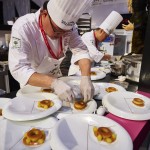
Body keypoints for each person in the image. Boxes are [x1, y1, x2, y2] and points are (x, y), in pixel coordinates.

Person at [8, 0, 94, 102]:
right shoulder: (24, 27)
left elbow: (81, 51)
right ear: (44, 14)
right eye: (57, 31)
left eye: (65, 32)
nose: (62, 35)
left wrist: (86, 77)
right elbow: (19, 68)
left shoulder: (70, 29)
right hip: (33, 86)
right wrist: (54, 83)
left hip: (59, 84)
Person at [68, 11, 123, 76]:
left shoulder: (96, 40)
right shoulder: (88, 36)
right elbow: (95, 54)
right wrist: (111, 57)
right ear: (101, 31)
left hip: (87, 69)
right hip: (77, 71)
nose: (105, 39)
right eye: (106, 36)